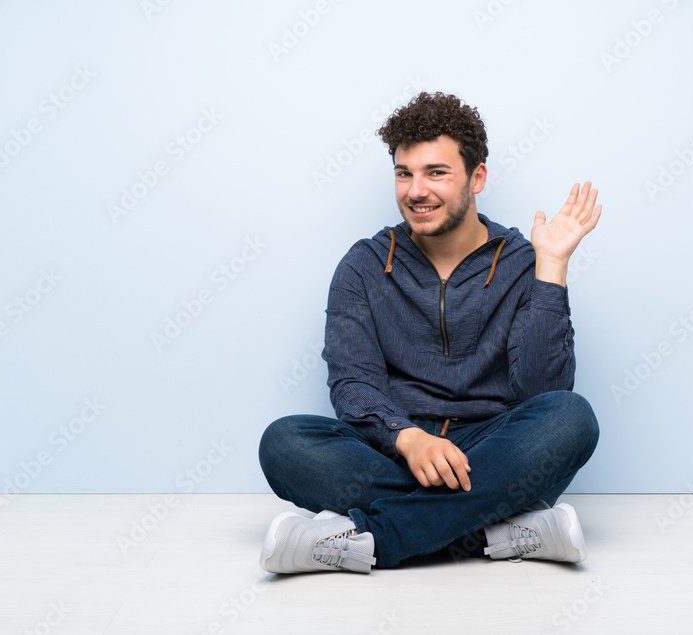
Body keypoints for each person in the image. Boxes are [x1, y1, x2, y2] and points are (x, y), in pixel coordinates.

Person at [258, 91, 602, 574]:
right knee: (284, 442)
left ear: (476, 176)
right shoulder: (364, 265)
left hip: (494, 455)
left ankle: (375, 539)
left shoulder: (526, 262)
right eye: (404, 173)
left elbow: (541, 393)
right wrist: (409, 439)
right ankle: (497, 531)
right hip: (399, 453)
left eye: (436, 173)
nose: (416, 190)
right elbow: (353, 383)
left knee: (571, 417)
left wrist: (552, 267)